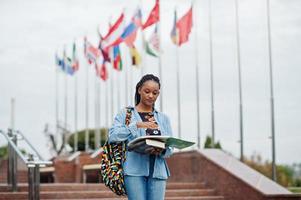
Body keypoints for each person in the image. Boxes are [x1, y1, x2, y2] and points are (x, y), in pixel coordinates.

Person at [108, 74, 173, 200]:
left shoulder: (163, 118)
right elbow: (113, 136)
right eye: (147, 91)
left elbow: (169, 149)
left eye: (155, 93)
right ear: (139, 90)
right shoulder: (125, 114)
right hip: (134, 171)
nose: (151, 96)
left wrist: (163, 150)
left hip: (158, 172)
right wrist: (137, 125)